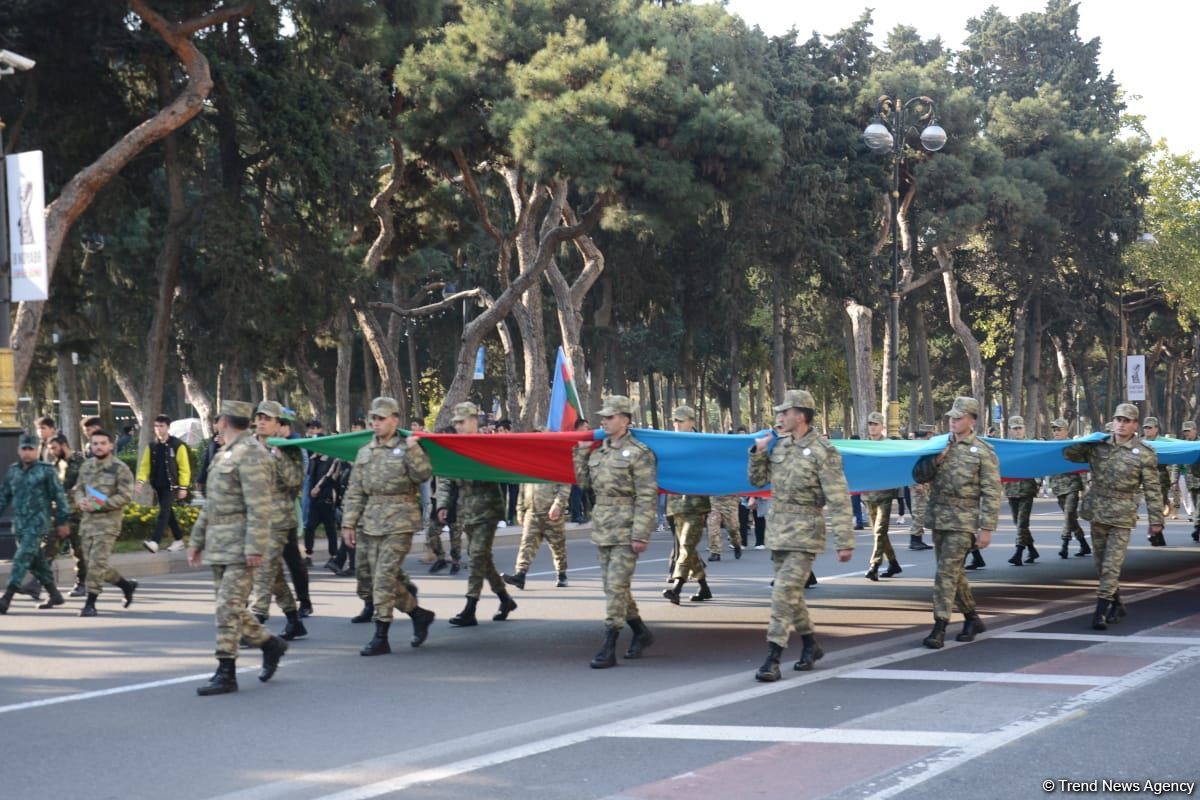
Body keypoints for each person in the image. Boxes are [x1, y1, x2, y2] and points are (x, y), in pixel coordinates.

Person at [748, 389, 853, 681]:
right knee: (791, 594)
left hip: (806, 533)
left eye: (786, 412)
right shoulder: (780, 446)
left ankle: (773, 657)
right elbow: (757, 481)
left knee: (782, 593)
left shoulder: (823, 451)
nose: (780, 417)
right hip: (779, 531)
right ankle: (810, 644)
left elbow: (838, 497)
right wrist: (758, 452)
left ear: (801, 415)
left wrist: (844, 541)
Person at [187, 400, 289, 696]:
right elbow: (211, 504)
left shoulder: (252, 454)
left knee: (226, 607)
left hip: (242, 545)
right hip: (220, 544)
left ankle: (226, 671)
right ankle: (270, 644)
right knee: (231, 607)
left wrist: (255, 547)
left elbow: (260, 506)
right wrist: (197, 540)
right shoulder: (224, 453)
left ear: (223, 422)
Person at [341, 397, 437, 653]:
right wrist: (348, 523)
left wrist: (414, 450)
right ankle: (418, 614)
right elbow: (355, 491)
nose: (376, 423)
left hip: (400, 520)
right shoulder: (364, 452)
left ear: (395, 420)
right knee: (375, 579)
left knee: (383, 577)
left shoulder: (408, 447)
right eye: (373, 418)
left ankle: (381, 635)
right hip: (371, 521)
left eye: (381, 418)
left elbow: (424, 475)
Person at [573, 396, 658, 668]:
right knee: (613, 586)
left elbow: (647, 496)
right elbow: (583, 484)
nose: (604, 421)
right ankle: (641, 632)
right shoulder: (598, 452)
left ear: (625, 420)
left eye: (610, 417)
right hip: (603, 527)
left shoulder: (639, 453)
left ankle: (609, 644)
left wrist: (641, 533)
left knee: (616, 586)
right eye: (603, 417)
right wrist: (581, 453)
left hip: (626, 528)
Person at [1063, 403, 1164, 629]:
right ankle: (1117, 603)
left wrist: (1156, 520)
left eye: (1127, 421)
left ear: (1135, 425)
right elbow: (1068, 454)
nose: (1121, 424)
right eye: (1118, 419)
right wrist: (1086, 441)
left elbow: (1153, 488)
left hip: (1122, 515)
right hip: (1098, 511)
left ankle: (1100, 612)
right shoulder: (1098, 446)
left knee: (1111, 566)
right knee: (1101, 565)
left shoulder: (1144, 453)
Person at [912, 397, 1001, 649]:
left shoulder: (983, 451)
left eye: (959, 418)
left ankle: (939, 626)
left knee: (944, 573)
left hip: (963, 521)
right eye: (951, 417)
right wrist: (935, 460)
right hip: (938, 517)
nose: (953, 421)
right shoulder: (938, 445)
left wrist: (986, 528)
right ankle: (972, 619)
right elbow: (918, 475)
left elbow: (992, 492)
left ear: (972, 421)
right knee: (954, 573)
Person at [437, 402, 518, 626]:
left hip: (487, 510)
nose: (458, 427)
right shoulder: (454, 448)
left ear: (474, 421)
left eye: (462, 422)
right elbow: (446, 479)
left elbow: (500, 470)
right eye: (456, 423)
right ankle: (505, 599)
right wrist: (442, 505)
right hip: (467, 511)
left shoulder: (487, 445)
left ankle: (470, 607)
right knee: (483, 559)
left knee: (476, 556)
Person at [250, 401, 311, 640]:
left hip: (278, 519)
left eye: (268, 419)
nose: (262, 422)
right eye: (259, 417)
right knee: (273, 574)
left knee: (264, 569)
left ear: (278, 424)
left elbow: (295, 482)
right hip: (254, 519)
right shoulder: (248, 446)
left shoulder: (288, 449)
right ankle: (294, 620)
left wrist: (278, 455)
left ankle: (256, 621)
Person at [0, 434, 71, 614]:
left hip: (38, 522)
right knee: (36, 561)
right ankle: (54, 594)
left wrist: (62, 521)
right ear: (19, 450)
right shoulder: (13, 471)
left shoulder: (46, 471)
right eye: (24, 449)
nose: (27, 452)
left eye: (31, 449)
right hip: (20, 525)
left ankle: (6, 597)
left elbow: (59, 497)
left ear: (37, 450)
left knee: (22, 556)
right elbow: (3, 497)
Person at [74, 429, 137, 616]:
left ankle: (90, 604)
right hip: (87, 524)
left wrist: (100, 504)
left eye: (103, 443)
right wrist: (80, 501)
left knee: (96, 564)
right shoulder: (86, 467)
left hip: (108, 524)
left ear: (110, 445)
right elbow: (78, 489)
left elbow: (125, 496)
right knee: (93, 564)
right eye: (95, 443)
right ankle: (126, 585)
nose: (99, 447)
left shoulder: (120, 468)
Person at [663, 405, 713, 604]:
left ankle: (677, 587)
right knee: (689, 549)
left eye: (680, 420)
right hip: (676, 505)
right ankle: (704, 588)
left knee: (685, 546)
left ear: (692, 422)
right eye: (674, 420)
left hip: (695, 505)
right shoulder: (669, 443)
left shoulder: (702, 444)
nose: (676, 424)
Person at [136, 414, 192, 553]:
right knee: (168, 513)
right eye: (156, 426)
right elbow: (145, 466)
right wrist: (140, 481)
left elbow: (184, 467)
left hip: (172, 485)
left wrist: (183, 487)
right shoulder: (152, 446)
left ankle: (155, 541)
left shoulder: (177, 445)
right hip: (158, 484)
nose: (158, 429)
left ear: (168, 427)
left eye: (161, 426)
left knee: (163, 513)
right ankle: (179, 540)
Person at [502, 479, 570, 589]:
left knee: (558, 547)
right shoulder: (529, 470)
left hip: (551, 514)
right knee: (526, 544)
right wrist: (520, 510)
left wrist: (558, 505)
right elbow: (522, 488)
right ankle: (520, 575)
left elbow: (565, 485)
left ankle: (562, 574)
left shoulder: (557, 468)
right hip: (532, 513)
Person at [862, 411, 902, 581]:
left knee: (879, 531)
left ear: (882, 427)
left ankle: (874, 566)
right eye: (870, 424)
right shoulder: (862, 446)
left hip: (885, 495)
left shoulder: (888, 445)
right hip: (868, 495)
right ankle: (893, 563)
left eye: (875, 424)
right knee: (879, 533)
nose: (872, 427)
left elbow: (896, 466)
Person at [49, 434, 88, 596]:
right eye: (50, 449)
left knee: (79, 551)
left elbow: (86, 486)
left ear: (64, 445)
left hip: (78, 514)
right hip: (60, 514)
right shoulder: (56, 464)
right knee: (49, 547)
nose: (52, 452)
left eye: (54, 448)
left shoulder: (80, 461)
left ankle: (82, 584)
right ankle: (38, 583)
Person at [1048, 418, 1090, 559]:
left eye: (1059, 429)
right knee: (1071, 518)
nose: (1056, 432)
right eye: (1054, 430)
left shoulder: (1073, 446)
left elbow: (1082, 465)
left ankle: (1064, 545)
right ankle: (1084, 544)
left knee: (1068, 516)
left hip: (1072, 485)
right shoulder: (1049, 446)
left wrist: (1084, 488)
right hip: (1058, 487)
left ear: (1066, 431)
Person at [1004, 416, 1041, 565]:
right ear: (1010, 430)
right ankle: (1032, 549)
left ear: (1024, 428)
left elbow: (1038, 465)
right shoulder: (1006, 447)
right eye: (1015, 428)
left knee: (1022, 523)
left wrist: (1038, 482)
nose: (1018, 431)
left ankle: (1018, 553)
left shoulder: (1030, 446)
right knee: (1017, 522)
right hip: (1011, 489)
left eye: (1020, 428)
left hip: (1026, 489)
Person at [1139, 417, 1171, 546]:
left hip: (1161, 477)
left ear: (1156, 429)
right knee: (1152, 507)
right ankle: (1156, 534)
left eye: (1150, 427)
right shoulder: (1140, 442)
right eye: (1145, 427)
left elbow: (1175, 452)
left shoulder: (1164, 442)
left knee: (1158, 507)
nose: (1147, 430)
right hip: (1145, 478)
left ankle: (1155, 533)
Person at [908, 424, 935, 550]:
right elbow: (911, 466)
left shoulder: (922, 445)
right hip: (918, 484)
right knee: (919, 512)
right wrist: (916, 483)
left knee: (921, 512)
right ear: (928, 434)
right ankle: (915, 540)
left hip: (923, 483)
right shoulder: (918, 446)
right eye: (931, 434)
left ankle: (918, 539)